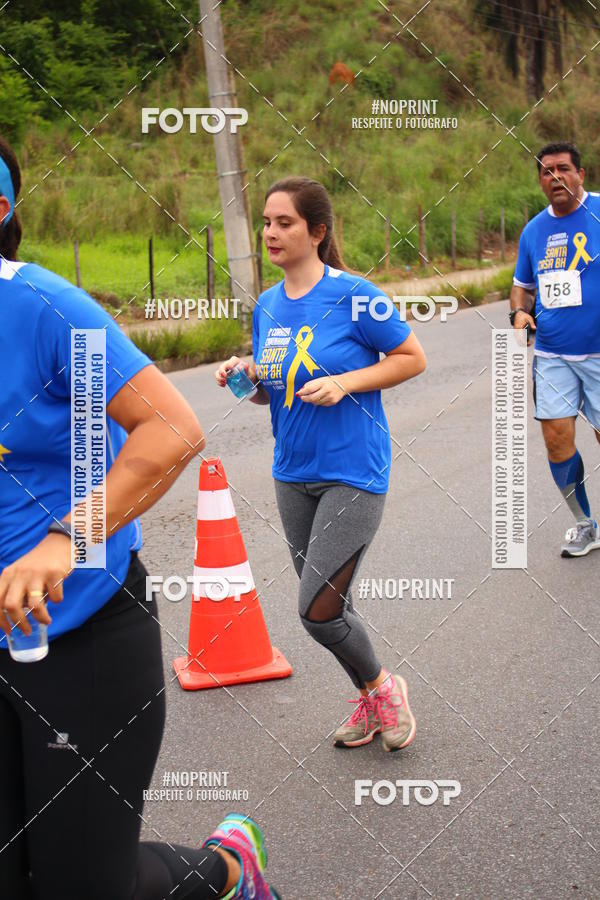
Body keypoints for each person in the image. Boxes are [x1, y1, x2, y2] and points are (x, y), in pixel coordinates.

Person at [0, 137, 279, 900]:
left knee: (85, 887)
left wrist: (67, 538)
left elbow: (171, 429)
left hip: (78, 634)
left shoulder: (42, 309)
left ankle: (230, 869)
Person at [215, 176, 426, 751]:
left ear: (317, 232)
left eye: (284, 223)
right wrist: (245, 376)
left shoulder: (356, 294)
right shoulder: (267, 305)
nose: (270, 232)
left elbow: (411, 357)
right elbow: (274, 391)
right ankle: (370, 701)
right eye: (266, 222)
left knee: (317, 610)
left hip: (353, 471)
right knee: (336, 605)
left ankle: (385, 689)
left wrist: (345, 382)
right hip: (292, 474)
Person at [510, 141, 600, 558]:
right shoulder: (533, 231)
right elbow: (522, 287)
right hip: (552, 355)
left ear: (581, 174)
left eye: (563, 168)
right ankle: (585, 525)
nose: (555, 177)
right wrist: (518, 313)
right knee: (556, 440)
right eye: (547, 171)